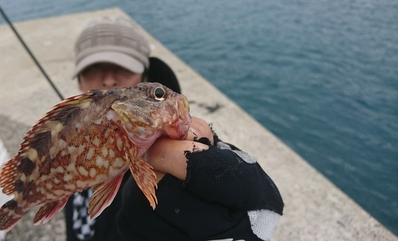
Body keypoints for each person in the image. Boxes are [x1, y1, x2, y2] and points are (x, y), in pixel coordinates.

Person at [65, 17, 283, 241]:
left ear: (145, 78)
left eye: (122, 67)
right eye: (94, 68)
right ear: (80, 83)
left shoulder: (155, 143)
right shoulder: (65, 146)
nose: (108, 80)